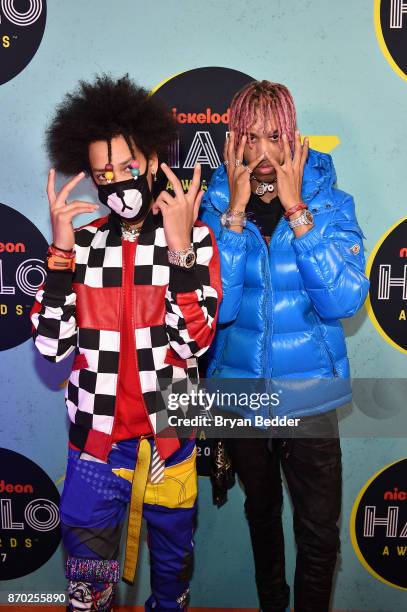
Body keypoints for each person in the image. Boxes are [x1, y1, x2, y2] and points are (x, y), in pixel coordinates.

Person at [30, 74, 221, 612]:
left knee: (171, 592)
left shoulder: (196, 237)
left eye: (129, 168)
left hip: (170, 446)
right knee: (89, 597)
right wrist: (62, 258)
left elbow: (197, 341)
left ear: (155, 159)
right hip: (96, 450)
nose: (118, 183)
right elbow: (50, 348)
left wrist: (181, 250)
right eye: (103, 175)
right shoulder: (84, 245)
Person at [199, 80, 369, 612]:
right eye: (251, 138)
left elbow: (343, 300)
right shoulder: (213, 208)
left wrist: (299, 214)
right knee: (262, 516)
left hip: (310, 399)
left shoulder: (332, 205)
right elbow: (218, 314)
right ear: (235, 144)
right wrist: (232, 220)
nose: (265, 153)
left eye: (276, 136)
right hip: (241, 398)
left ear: (294, 137)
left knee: (319, 534)